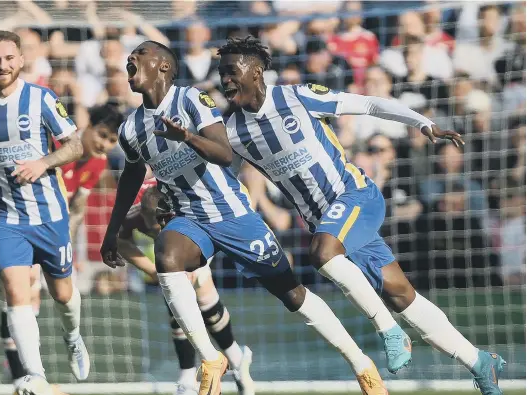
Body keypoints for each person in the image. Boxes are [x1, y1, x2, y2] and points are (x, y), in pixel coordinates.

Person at [216, 35, 506, 395]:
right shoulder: (232, 131)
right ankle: (479, 361)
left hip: (356, 197)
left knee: (322, 254)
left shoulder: (295, 97)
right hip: (330, 224)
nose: (225, 80)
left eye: (231, 71)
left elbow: (368, 104)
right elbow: (214, 174)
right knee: (401, 294)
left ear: (256, 71)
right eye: (221, 73)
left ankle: (389, 331)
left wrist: (422, 123)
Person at [100, 40, 387, 395]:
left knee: (292, 294)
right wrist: (111, 232)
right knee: (167, 255)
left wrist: (186, 136)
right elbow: (130, 177)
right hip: (191, 219)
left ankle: (361, 364)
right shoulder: (130, 129)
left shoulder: (191, 99)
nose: (130, 58)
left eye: (140, 54)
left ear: (163, 66)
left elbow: (222, 153)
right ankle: (210, 359)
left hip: (234, 215)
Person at [0, 29, 88, 395]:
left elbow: (75, 145)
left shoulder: (41, 99)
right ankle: (35, 375)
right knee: (15, 294)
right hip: (4, 218)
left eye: (8, 58)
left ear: (21, 60)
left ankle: (73, 336)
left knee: (63, 296)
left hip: (49, 215)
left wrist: (43, 163)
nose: (2, 65)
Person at [0, 103, 123, 388]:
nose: (104, 144)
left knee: (62, 294)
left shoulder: (98, 163)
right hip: (2, 216)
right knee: (20, 289)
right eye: (102, 135)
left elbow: (77, 206)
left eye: (112, 141)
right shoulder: (54, 141)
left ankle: (66, 342)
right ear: (86, 126)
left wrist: (66, 242)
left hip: (49, 227)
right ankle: (24, 376)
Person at [117, 179, 254, 395]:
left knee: (195, 287)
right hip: (174, 247)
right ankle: (234, 360)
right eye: (153, 229)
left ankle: (193, 375)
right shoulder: (131, 213)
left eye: (161, 227)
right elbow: (121, 241)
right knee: (183, 292)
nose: (157, 231)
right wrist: (153, 271)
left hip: (208, 227)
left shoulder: (189, 204)